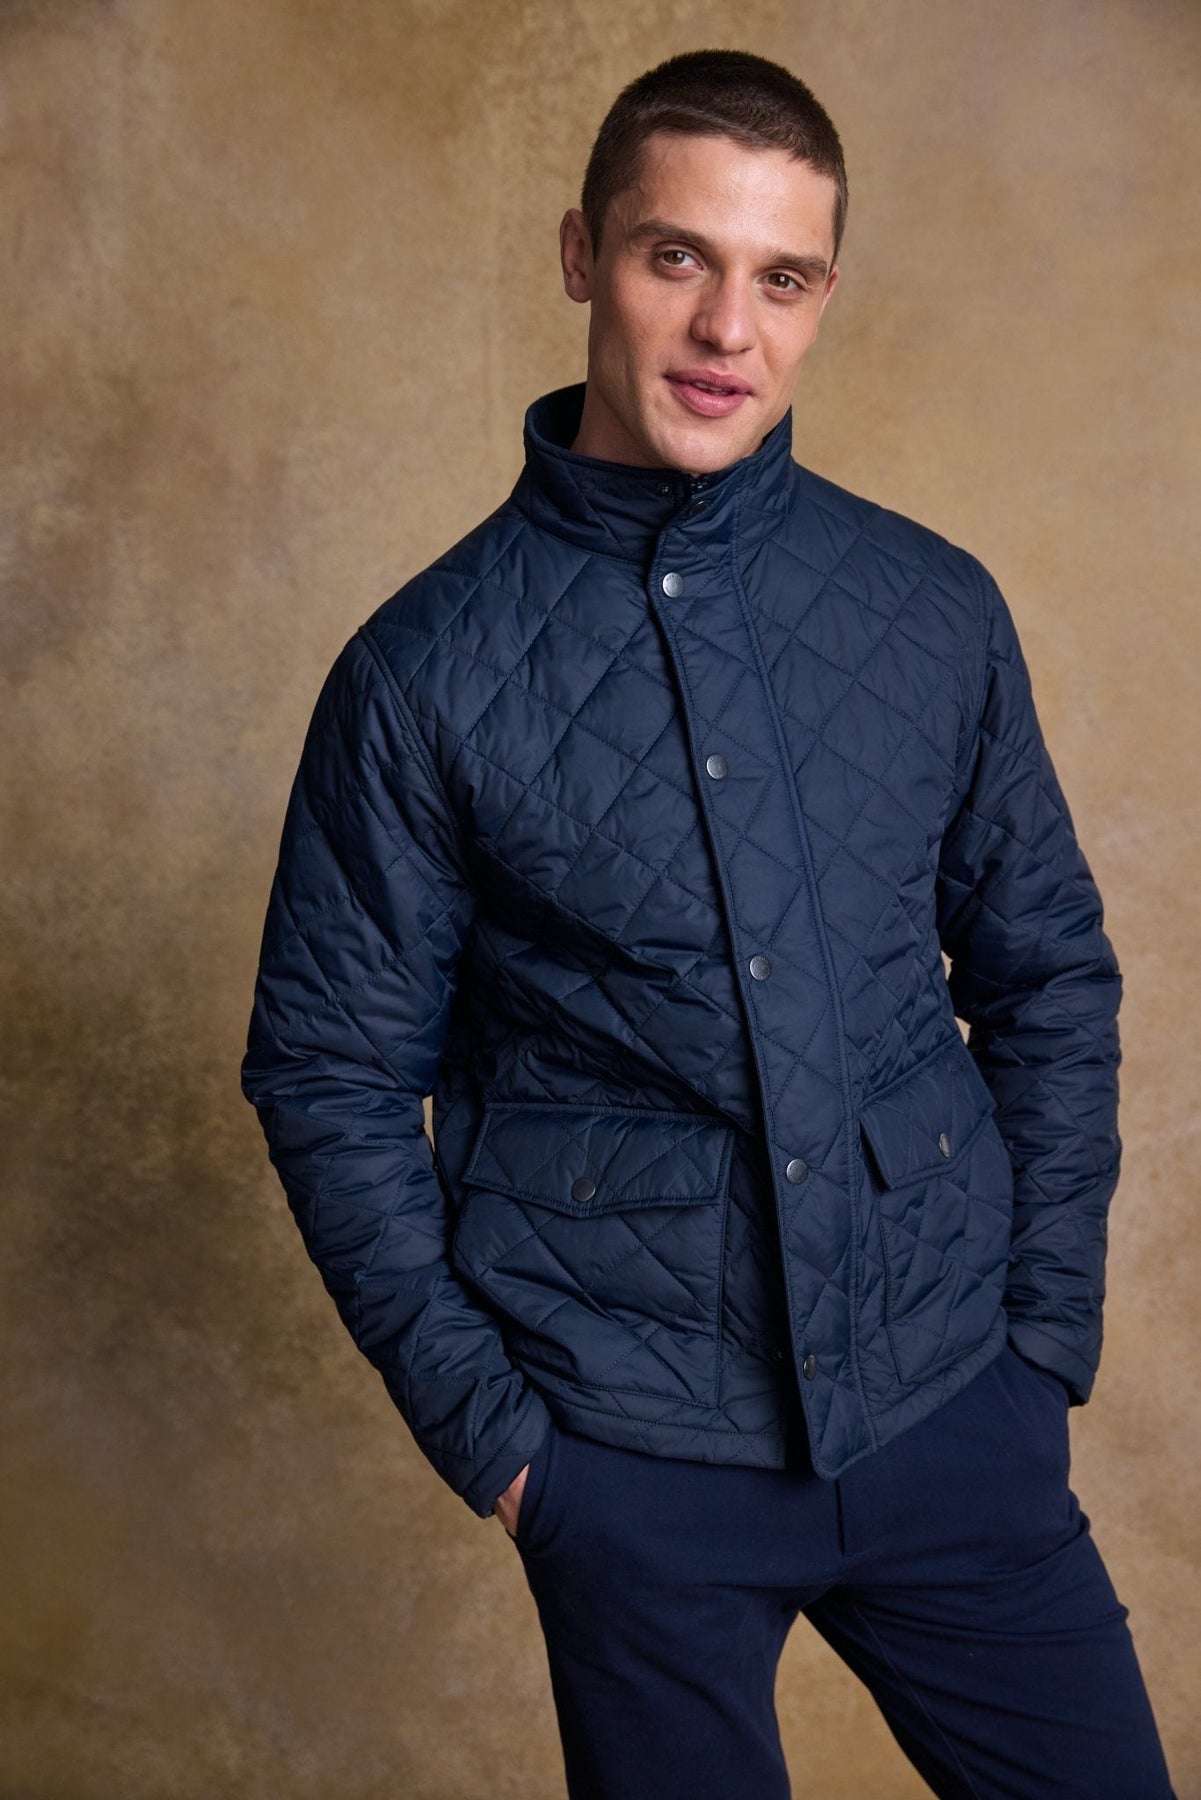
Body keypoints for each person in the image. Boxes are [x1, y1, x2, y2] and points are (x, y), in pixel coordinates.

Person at [241, 48, 1177, 1800]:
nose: (725, 329)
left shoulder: (932, 607)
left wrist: (1040, 1339)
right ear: (580, 254)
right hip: (626, 1463)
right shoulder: (416, 675)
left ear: (822, 299)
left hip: (953, 1412)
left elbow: (1047, 974)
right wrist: (510, 1452)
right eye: (676, 256)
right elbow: (328, 1078)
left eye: (782, 277)